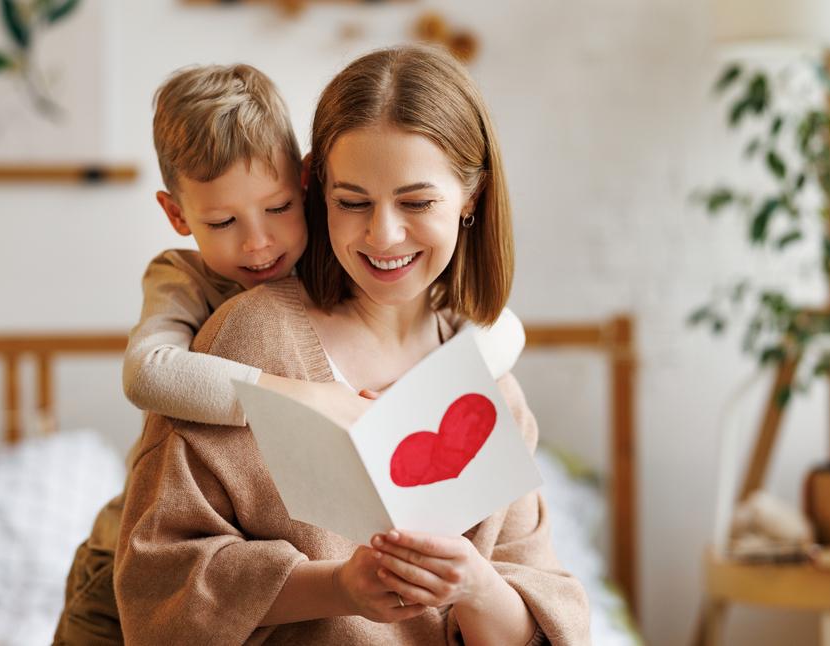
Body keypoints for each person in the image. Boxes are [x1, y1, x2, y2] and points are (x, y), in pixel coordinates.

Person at [112, 45, 590, 645]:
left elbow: (542, 619)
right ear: (321, 189)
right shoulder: (244, 338)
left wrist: (475, 586)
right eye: (352, 202)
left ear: (471, 198)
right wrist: (337, 586)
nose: (383, 234)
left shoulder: (489, 379)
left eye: (416, 201)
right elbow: (160, 587)